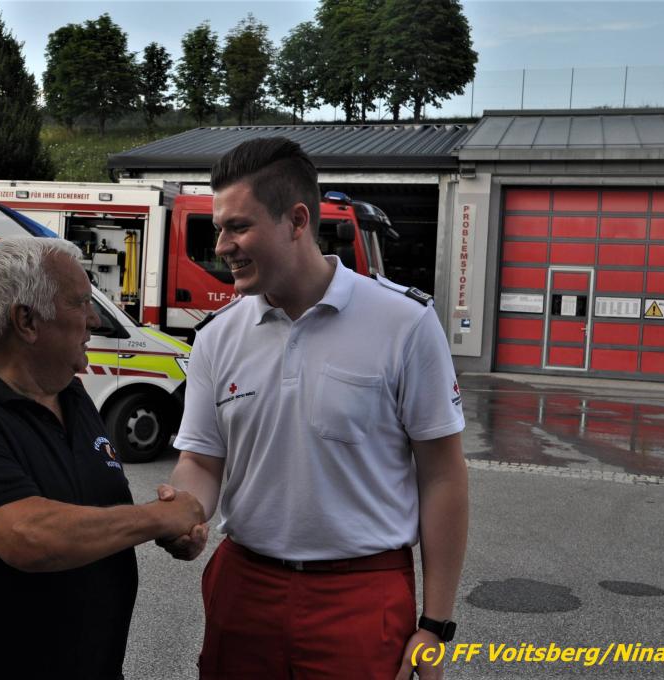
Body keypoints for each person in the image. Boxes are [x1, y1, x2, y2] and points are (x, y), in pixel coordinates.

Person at [157, 137, 468, 680]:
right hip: (245, 588)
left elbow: (442, 475)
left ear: (297, 220)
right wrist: (187, 511)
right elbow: (202, 460)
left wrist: (435, 625)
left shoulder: (405, 323)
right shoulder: (216, 337)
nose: (222, 245)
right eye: (219, 228)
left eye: (238, 227)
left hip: (362, 594)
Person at [0, 236, 205, 680]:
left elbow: (89, 513)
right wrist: (157, 518)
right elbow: (30, 536)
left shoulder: (71, 396)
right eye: (81, 303)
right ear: (27, 320)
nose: (94, 319)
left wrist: (168, 530)